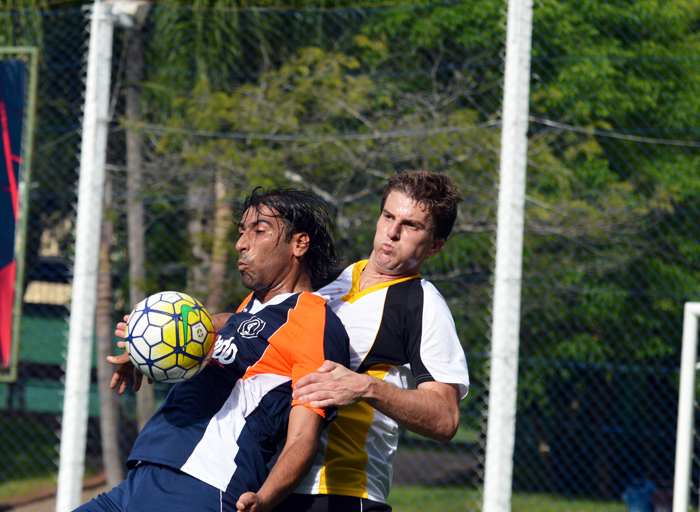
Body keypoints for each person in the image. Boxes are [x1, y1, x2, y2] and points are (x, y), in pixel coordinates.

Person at [83, 188, 350, 512]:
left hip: (202, 485)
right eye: (241, 232)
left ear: (299, 244)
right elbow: (219, 324)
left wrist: (265, 498)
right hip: (140, 478)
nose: (241, 243)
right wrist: (146, 343)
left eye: (259, 231)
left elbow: (302, 438)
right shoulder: (247, 312)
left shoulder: (315, 321)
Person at [275, 170, 471, 512]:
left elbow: (445, 418)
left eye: (411, 225)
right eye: (388, 216)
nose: (392, 232)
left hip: (343, 493)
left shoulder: (421, 304)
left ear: (436, 245)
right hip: (271, 482)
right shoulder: (323, 280)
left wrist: (366, 388)